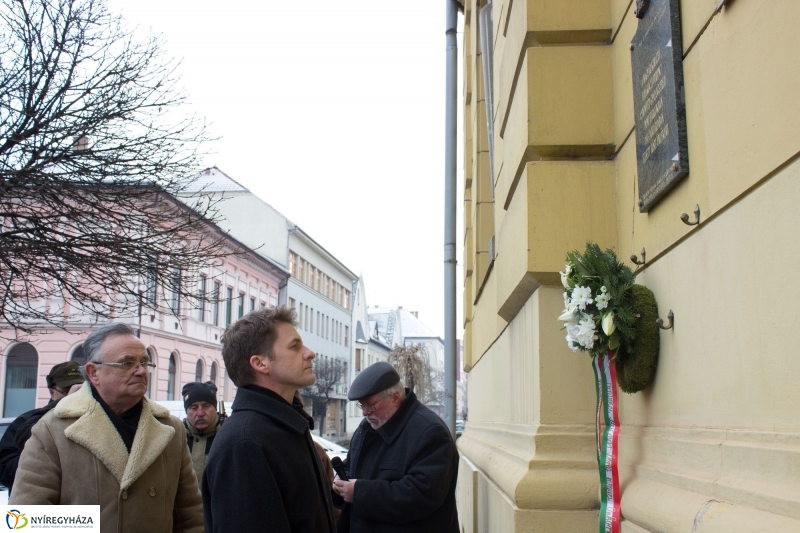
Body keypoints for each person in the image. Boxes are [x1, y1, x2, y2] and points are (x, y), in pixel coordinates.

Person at [10, 323, 203, 533]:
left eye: (144, 362)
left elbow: (190, 515)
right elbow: (24, 520)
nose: (140, 371)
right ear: (94, 373)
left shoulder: (169, 428)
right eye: (127, 363)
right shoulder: (53, 430)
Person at [203, 306, 336, 533]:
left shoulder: (285, 428)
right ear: (260, 363)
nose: (310, 353)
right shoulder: (246, 444)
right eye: (295, 346)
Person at [332, 361, 460, 533]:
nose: (365, 413)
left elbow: (423, 495)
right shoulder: (366, 427)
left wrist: (360, 493)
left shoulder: (430, 431)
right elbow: (353, 467)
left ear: (395, 398)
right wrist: (341, 483)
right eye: (362, 405)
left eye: (371, 405)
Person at [0, 361, 84, 491]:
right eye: (67, 391)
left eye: (80, 390)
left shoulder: (95, 420)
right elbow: (5, 469)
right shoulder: (25, 421)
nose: (73, 396)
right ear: (52, 392)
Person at [182, 381, 223, 480]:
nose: (200, 413)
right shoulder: (176, 438)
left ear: (215, 408)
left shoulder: (227, 436)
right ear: (186, 411)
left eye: (206, 406)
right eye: (193, 407)